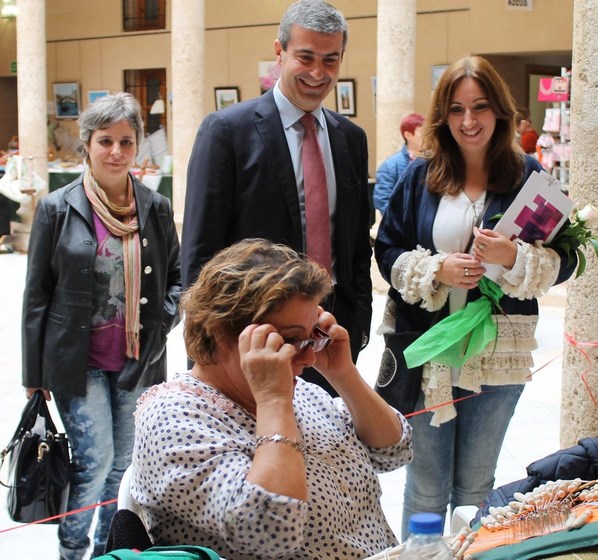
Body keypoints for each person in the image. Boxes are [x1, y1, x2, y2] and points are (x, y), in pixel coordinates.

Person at [373, 55, 576, 538]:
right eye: (458, 109)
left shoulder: (528, 175)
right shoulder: (421, 176)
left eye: (480, 107)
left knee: (477, 486)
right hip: (428, 348)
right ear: (443, 117)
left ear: (499, 111)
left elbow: (564, 260)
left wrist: (512, 258)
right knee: (424, 486)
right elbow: (387, 250)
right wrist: (435, 268)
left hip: (497, 353)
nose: (469, 121)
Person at [131, 238, 412, 560]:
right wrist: (273, 402)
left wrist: (343, 374)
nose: (307, 360)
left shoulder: (297, 389)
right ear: (222, 333)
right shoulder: (172, 418)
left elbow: (393, 451)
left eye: (312, 337)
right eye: (289, 339)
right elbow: (269, 531)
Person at [181, 0, 372, 397]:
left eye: (330, 60)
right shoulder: (227, 132)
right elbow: (201, 249)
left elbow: (354, 243)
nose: (318, 73)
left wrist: (358, 322)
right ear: (279, 51)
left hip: (328, 337)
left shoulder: (351, 139)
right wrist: (209, 349)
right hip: (249, 339)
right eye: (305, 57)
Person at [22, 92, 181, 560]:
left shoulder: (156, 206)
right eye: (105, 140)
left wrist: (161, 324)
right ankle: (71, 551)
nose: (116, 151)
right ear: (87, 145)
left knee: (124, 468)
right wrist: (34, 375)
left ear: (137, 148)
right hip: (76, 362)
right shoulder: (57, 208)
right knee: (94, 464)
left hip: (138, 359)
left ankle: (106, 553)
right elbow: (37, 295)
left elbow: (176, 279)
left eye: (126, 142)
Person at [373, 112, 424, 215]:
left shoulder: (434, 161)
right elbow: (383, 200)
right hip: (403, 227)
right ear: (408, 135)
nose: (428, 136)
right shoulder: (390, 166)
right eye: (423, 132)